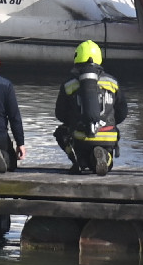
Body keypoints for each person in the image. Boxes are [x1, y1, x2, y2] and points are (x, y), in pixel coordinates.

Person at [53, 40, 129, 174]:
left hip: (81, 138)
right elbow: (122, 113)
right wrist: (109, 124)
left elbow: (60, 114)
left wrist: (74, 122)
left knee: (60, 132)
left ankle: (78, 160)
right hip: (108, 137)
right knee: (107, 160)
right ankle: (107, 158)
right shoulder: (112, 82)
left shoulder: (69, 85)